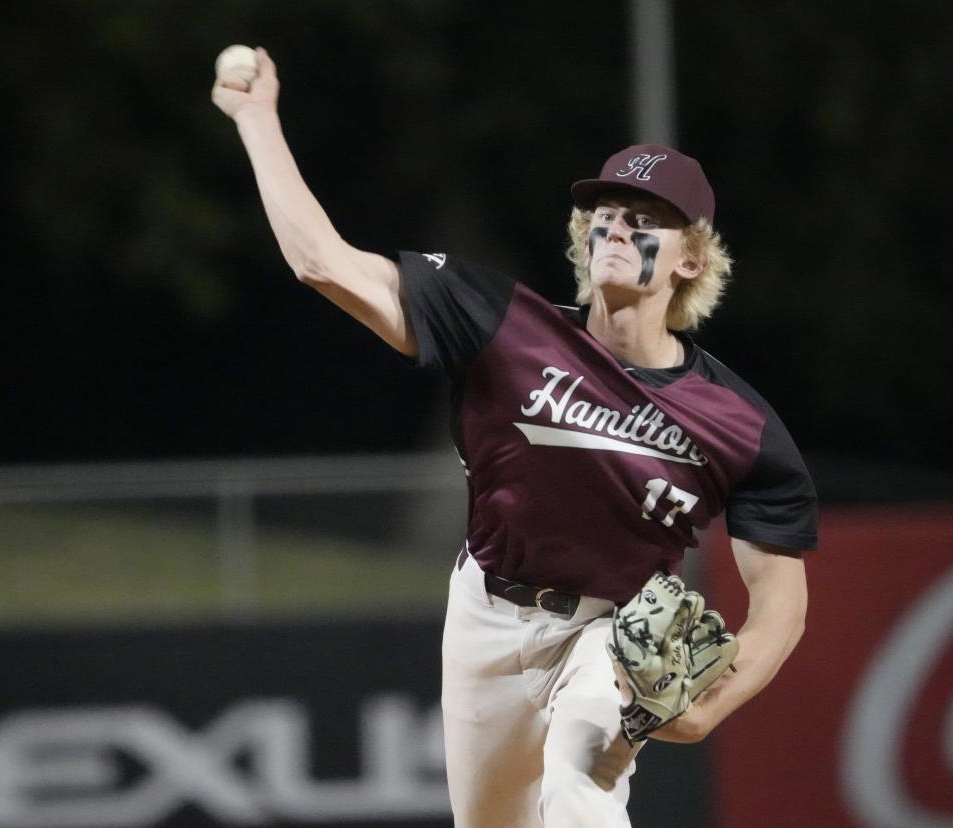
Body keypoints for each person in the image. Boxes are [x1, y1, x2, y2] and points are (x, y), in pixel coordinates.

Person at [212, 48, 818, 828]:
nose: (615, 226)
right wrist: (258, 121)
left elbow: (781, 601)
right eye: (605, 212)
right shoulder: (502, 325)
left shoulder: (738, 422)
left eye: (645, 220)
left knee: (578, 780)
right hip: (485, 618)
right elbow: (323, 266)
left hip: (608, 631)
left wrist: (711, 708)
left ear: (691, 259)